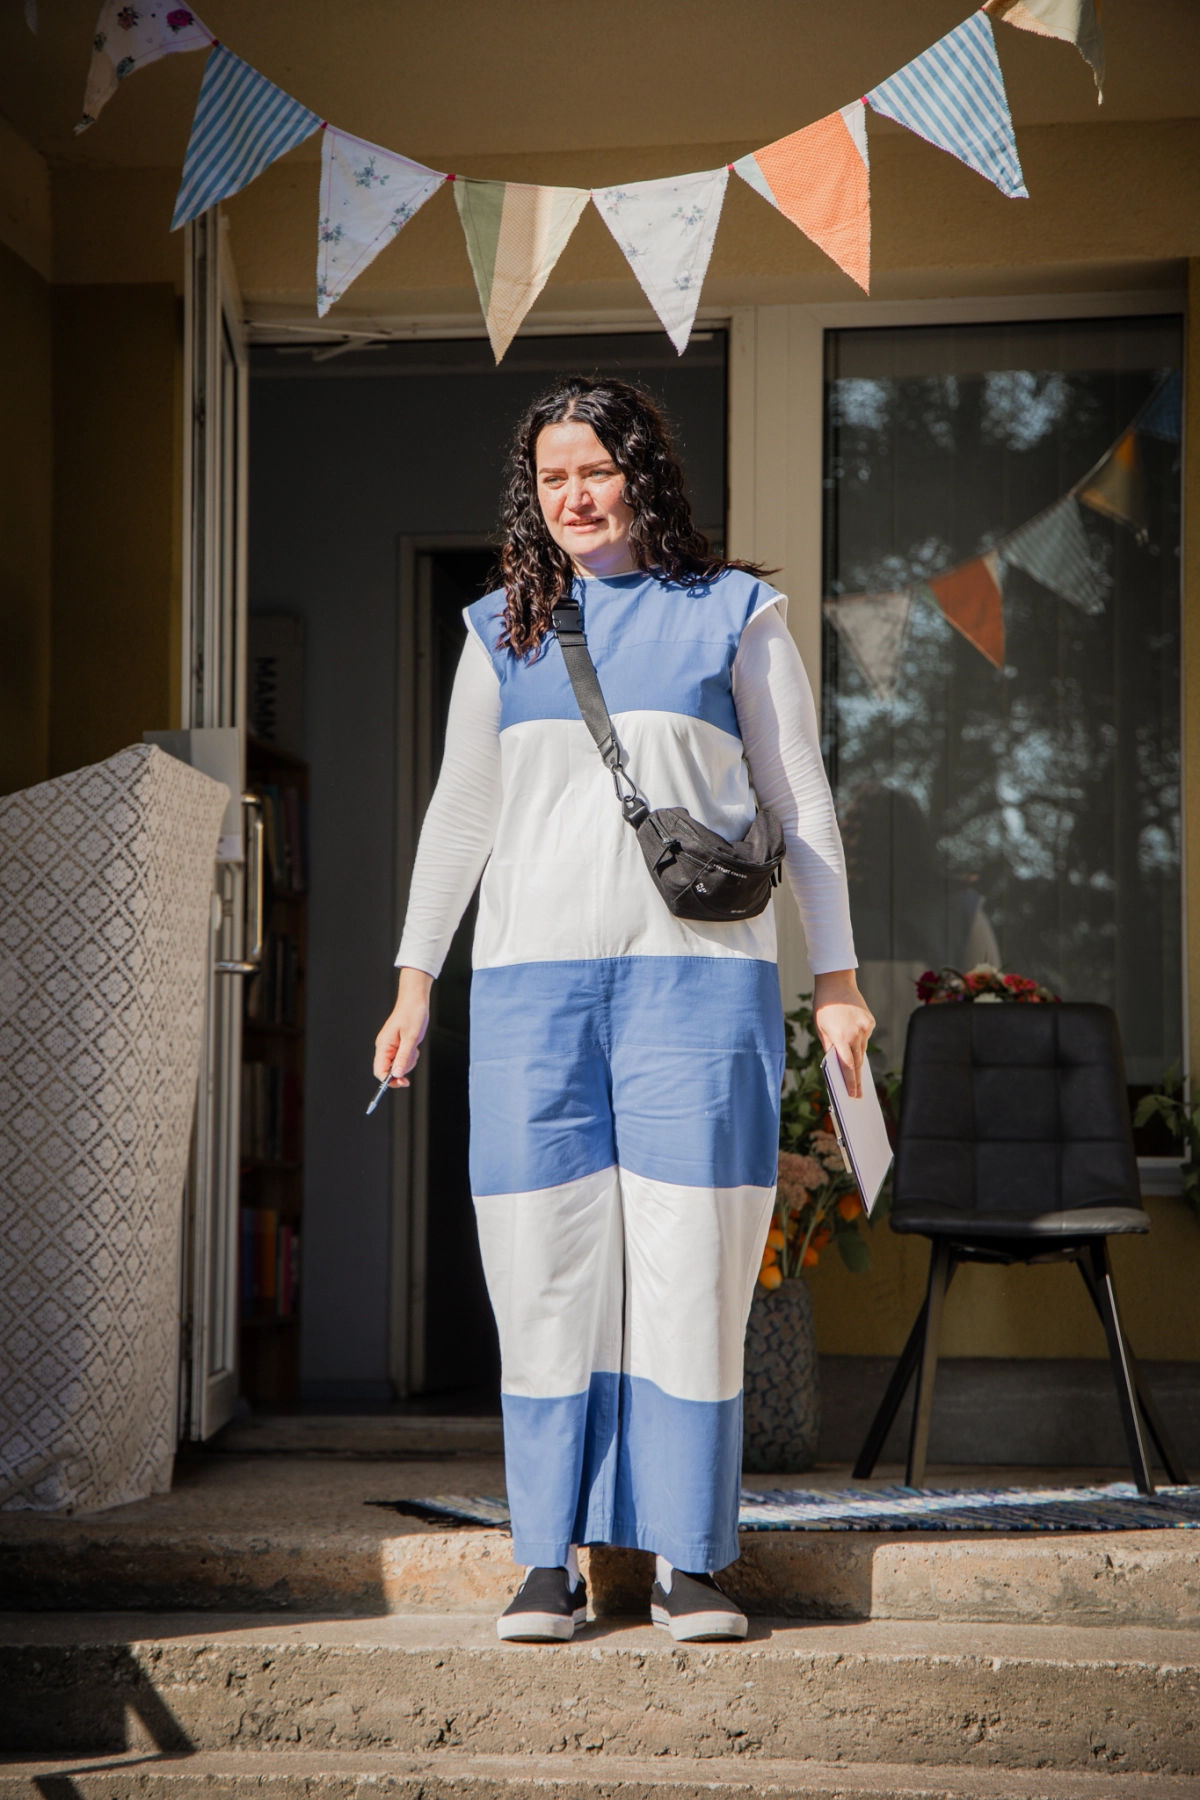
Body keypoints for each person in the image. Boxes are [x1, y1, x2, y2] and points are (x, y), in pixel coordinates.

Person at [375, 376, 871, 1645]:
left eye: (594, 470)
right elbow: (461, 814)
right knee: (540, 1272)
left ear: (643, 474)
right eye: (552, 478)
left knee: (692, 1269)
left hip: (699, 994)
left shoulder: (737, 615)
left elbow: (801, 801)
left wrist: (837, 978)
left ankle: (690, 1563)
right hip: (529, 998)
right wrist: (416, 978)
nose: (574, 496)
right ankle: (548, 1559)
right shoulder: (499, 630)